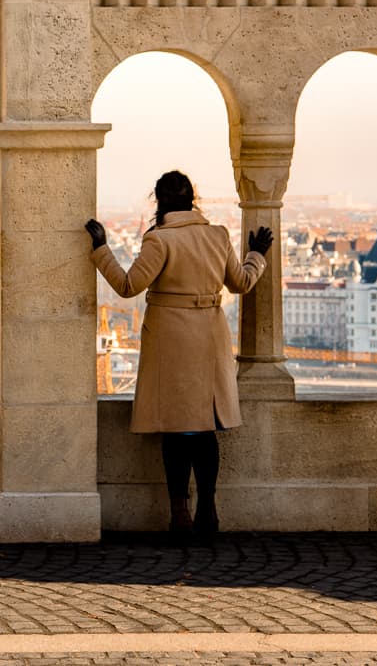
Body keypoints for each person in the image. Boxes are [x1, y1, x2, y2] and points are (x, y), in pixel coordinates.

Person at [85, 170, 272, 538]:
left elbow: (127, 286)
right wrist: (256, 255)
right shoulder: (217, 235)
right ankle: (208, 509)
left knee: (176, 433)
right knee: (204, 431)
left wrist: (101, 249)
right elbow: (242, 283)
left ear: (159, 201)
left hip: (171, 342)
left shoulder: (159, 241)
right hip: (210, 339)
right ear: (193, 199)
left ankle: (179, 513)